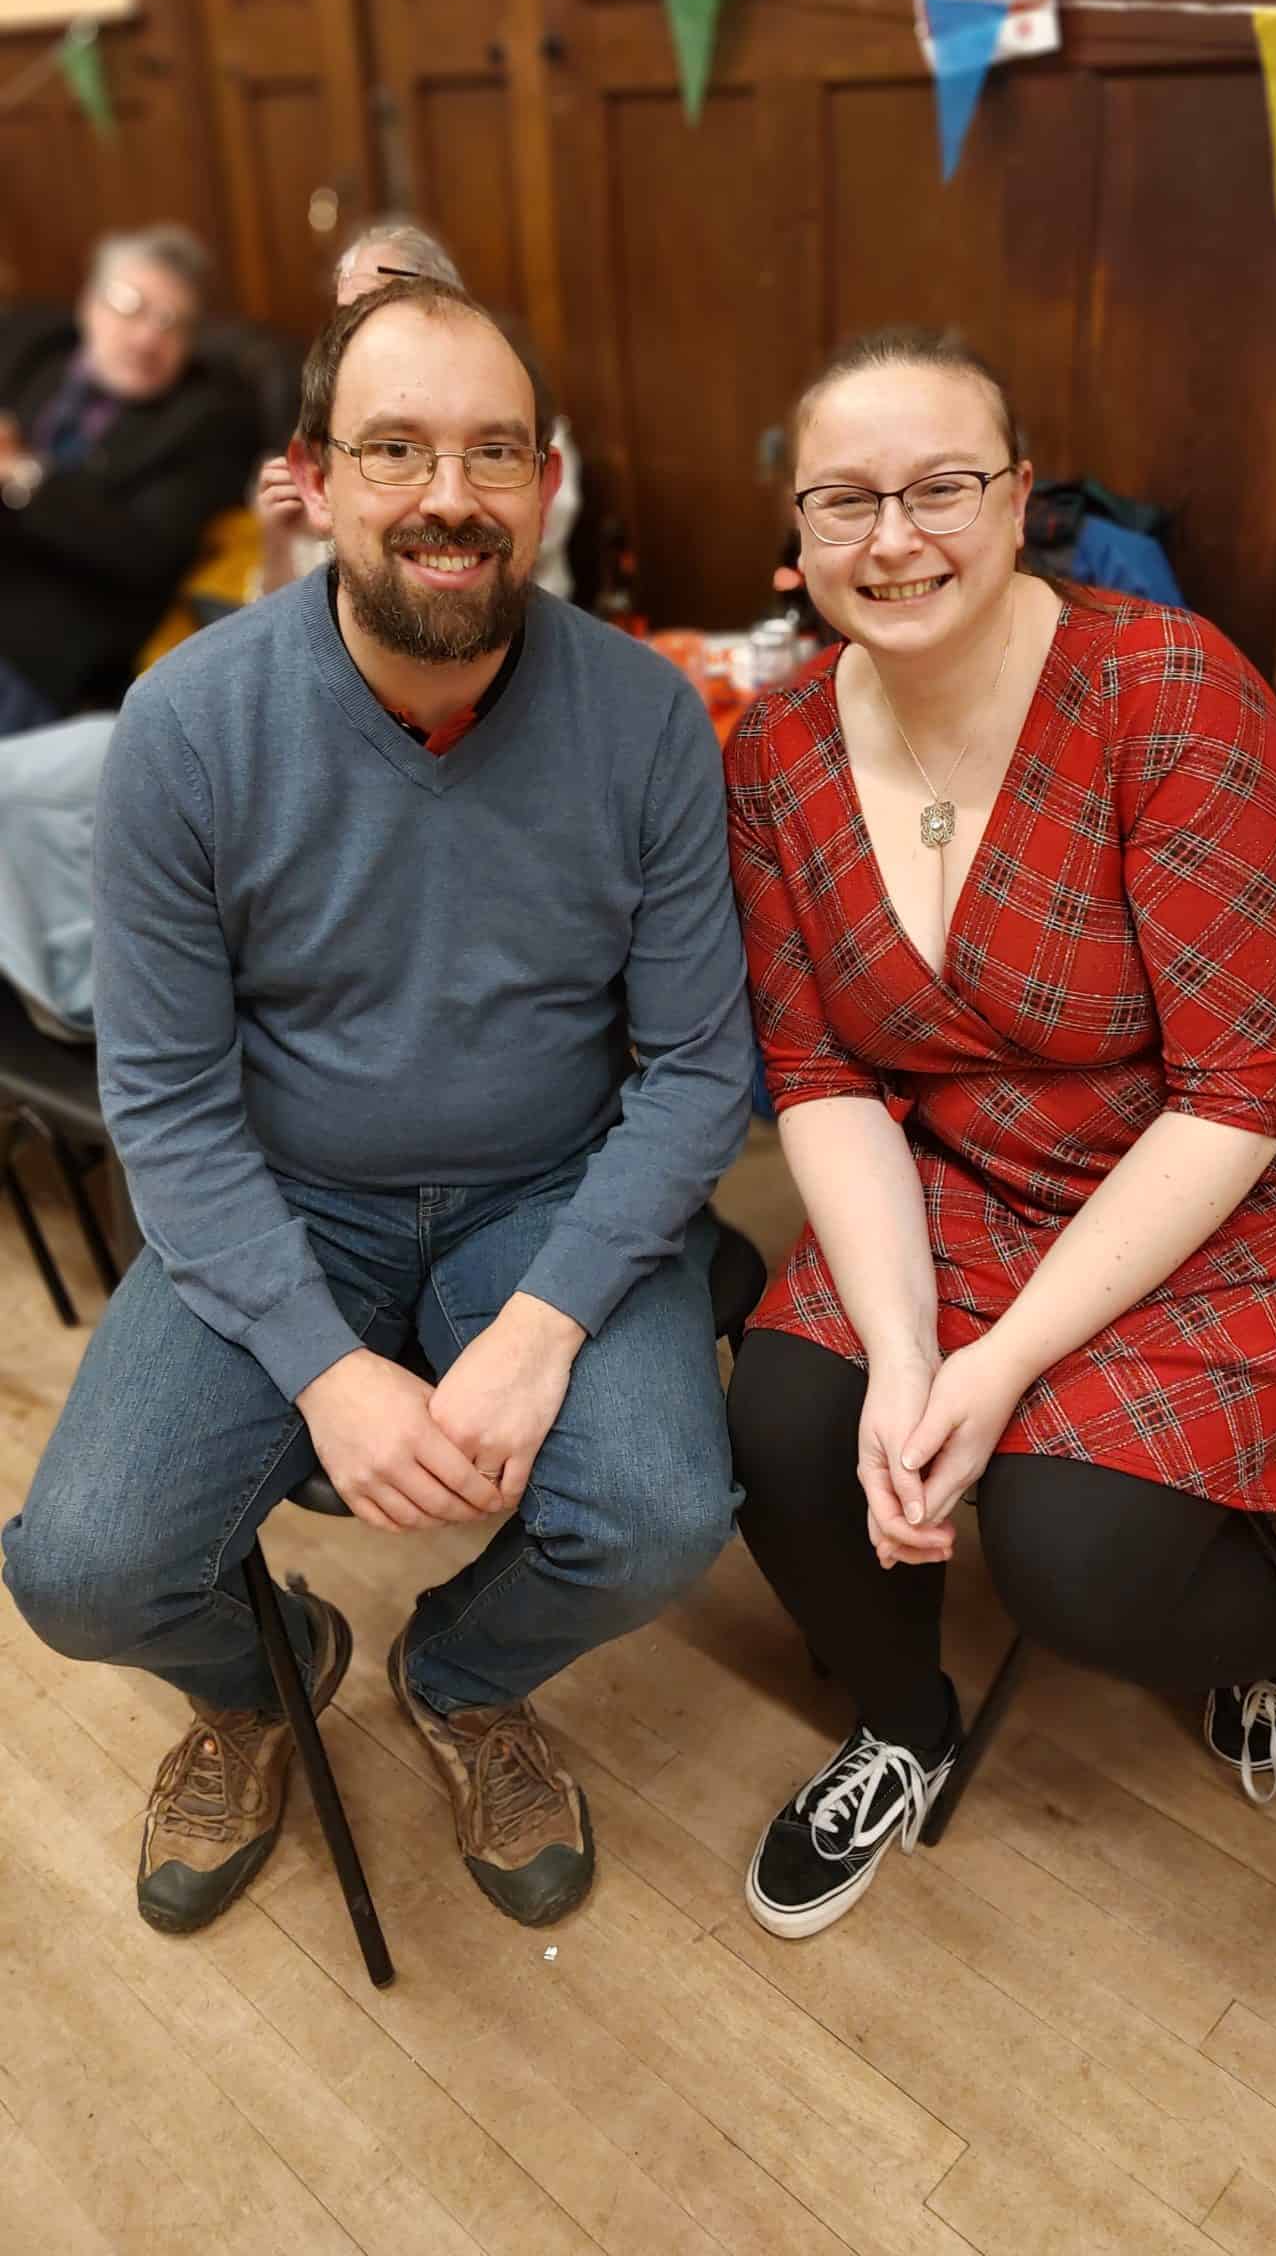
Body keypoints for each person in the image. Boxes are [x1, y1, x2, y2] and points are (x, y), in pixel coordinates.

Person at [4, 276, 754, 1937]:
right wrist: (322, 1366)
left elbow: (703, 1067)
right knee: (79, 1573)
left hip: (545, 1192)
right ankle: (262, 1677)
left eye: (493, 452)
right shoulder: (189, 726)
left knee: (653, 1521)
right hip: (286, 1194)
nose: (447, 494)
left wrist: (548, 1321)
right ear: (314, 479)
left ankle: (462, 1672)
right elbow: (166, 1102)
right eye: (396, 447)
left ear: (545, 485)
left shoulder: (643, 716)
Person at [723, 326, 1276, 1941]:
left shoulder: (1166, 693)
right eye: (844, 501)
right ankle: (899, 1721)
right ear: (800, 533)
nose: (892, 538)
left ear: (1017, 497)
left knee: (1069, 1544)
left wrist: (995, 1367)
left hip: (1254, 1166)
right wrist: (904, 1349)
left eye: (940, 487)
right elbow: (817, 1074)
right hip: (982, 1160)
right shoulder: (773, 751)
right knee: (783, 1417)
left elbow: (1235, 1097)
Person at [0, 225, 260, 734]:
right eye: (130, 306)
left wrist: (23, 475)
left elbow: (146, 548)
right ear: (89, 304)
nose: (146, 338)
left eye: (172, 324)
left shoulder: (209, 421)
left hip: (44, 650)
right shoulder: (35, 356)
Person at [255, 220, 581, 601]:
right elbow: (288, 618)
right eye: (345, 317)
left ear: (444, 303)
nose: (356, 334)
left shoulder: (517, 407)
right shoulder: (331, 434)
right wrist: (285, 538)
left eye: (379, 309)